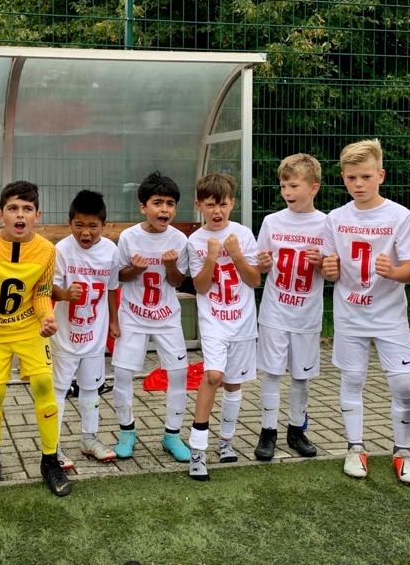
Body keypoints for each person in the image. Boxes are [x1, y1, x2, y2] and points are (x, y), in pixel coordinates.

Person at [321, 139, 410, 484]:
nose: (359, 184)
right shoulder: (335, 218)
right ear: (343, 178)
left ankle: (403, 450)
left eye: (365, 176)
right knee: (352, 380)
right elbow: (329, 268)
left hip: (390, 317)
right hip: (350, 316)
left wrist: (393, 272)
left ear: (381, 175)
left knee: (403, 384)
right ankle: (355, 447)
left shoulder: (399, 215)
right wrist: (328, 270)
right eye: (351, 178)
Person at [0, 180, 70, 496]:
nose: (20, 214)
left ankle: (50, 460)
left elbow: (41, 293)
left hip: (29, 329)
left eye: (27, 209)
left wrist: (47, 318)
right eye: (13, 208)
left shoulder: (47, 250)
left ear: (38, 215)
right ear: (0, 214)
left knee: (44, 386)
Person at [111, 171, 191, 463]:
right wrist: (137, 269)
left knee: (179, 374)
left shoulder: (179, 239)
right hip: (133, 316)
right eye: (157, 203)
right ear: (143, 206)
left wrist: (170, 266)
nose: (164, 209)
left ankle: (172, 434)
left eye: (170, 204)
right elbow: (119, 276)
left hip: (167, 317)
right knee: (122, 373)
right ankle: (127, 432)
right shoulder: (129, 236)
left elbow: (177, 281)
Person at [254, 153, 329, 461]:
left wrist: (322, 263)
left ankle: (296, 429)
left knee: (301, 375)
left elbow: (333, 271)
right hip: (275, 311)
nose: (287, 191)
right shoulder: (272, 221)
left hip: (306, 315)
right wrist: (262, 263)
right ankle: (267, 431)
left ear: (314, 187)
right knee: (272, 373)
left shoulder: (326, 224)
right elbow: (259, 266)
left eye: (294, 185)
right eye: (283, 185)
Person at [185, 173, 260, 480]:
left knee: (233, 383)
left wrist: (237, 254)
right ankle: (197, 450)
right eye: (210, 205)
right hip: (214, 320)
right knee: (213, 376)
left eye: (223, 204)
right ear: (199, 205)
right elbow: (201, 287)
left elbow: (254, 280)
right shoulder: (195, 241)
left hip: (242, 321)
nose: (217, 211)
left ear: (232, 203)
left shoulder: (243, 234)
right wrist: (212, 258)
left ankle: (226, 441)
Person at [50, 190, 120, 469]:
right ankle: (52, 446)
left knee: (91, 388)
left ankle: (89, 439)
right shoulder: (61, 250)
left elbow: (112, 288)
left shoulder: (111, 251)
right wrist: (66, 295)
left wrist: (114, 321)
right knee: (58, 389)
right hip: (65, 336)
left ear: (104, 225)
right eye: (79, 225)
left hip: (94, 335)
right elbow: (51, 288)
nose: (85, 232)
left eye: (93, 226)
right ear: (70, 223)